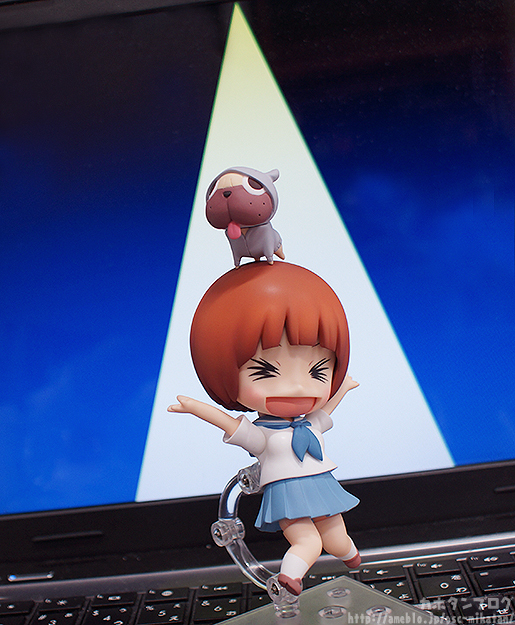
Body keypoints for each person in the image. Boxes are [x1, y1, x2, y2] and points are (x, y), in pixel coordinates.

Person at [169, 261, 360, 596]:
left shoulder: (310, 423)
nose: (298, 388)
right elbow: (230, 423)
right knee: (307, 542)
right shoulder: (263, 436)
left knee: (336, 537)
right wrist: (196, 408)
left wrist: (342, 388)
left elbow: (326, 410)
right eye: (265, 372)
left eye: (318, 371)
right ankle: (290, 578)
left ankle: (351, 557)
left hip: (322, 485)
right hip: (287, 493)